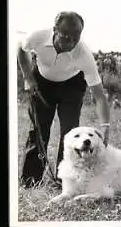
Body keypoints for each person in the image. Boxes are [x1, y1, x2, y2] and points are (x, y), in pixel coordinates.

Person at [17, 11, 111, 188]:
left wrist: (105, 126)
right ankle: (30, 180)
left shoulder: (84, 54)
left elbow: (99, 95)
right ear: (55, 30)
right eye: (66, 36)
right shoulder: (37, 36)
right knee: (38, 129)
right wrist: (28, 77)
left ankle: (65, 179)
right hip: (42, 82)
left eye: (76, 38)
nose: (71, 43)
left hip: (72, 86)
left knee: (70, 132)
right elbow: (21, 50)